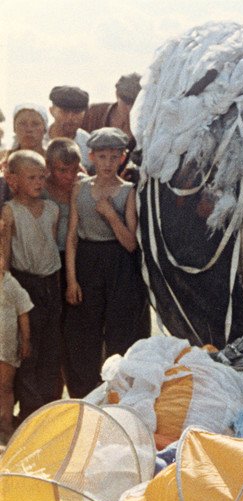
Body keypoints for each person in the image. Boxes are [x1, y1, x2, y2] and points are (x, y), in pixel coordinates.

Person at [64, 128, 145, 398]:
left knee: (120, 331)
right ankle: (85, 395)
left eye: (114, 157)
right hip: (87, 262)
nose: (108, 163)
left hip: (119, 264)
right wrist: (72, 280)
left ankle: (118, 394)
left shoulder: (128, 192)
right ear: (91, 157)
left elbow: (131, 243)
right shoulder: (80, 188)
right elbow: (72, 237)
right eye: (102, 157)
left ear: (122, 158)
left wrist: (111, 215)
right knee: (85, 332)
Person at [0, 150, 63, 420]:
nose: (38, 182)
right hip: (25, 284)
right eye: (31, 177)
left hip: (52, 282)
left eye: (41, 177)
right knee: (28, 350)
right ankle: (30, 412)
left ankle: (50, 409)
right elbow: (6, 253)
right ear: (13, 180)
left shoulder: (52, 209)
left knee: (51, 346)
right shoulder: (10, 210)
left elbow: (50, 245)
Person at [0, 255, 33, 443]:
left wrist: (25, 341)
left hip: (6, 348)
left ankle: (6, 424)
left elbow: (24, 312)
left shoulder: (11, 285)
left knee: (5, 387)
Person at [82, 73, 141, 143]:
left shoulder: (149, 124)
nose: (130, 109)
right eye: (127, 102)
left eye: (136, 104)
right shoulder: (93, 113)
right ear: (116, 94)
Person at [46, 86, 91, 166]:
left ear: (85, 114)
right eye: (64, 111)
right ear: (51, 111)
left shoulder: (88, 145)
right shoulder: (36, 139)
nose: (70, 118)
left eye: (76, 112)